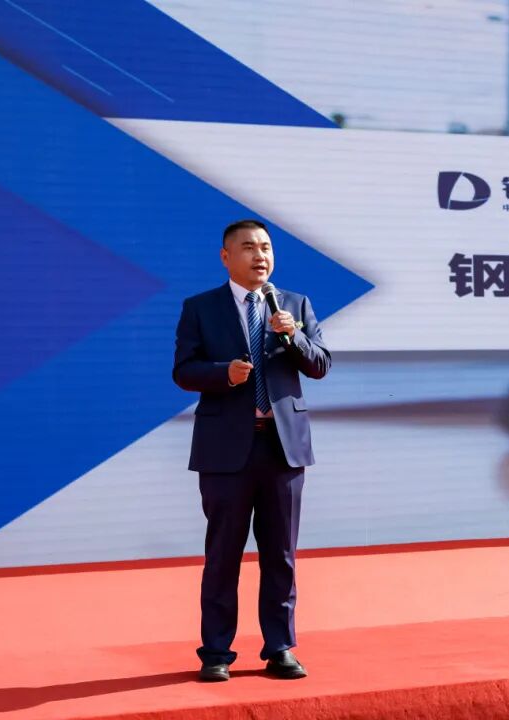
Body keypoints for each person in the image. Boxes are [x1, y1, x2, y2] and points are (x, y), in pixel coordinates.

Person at [172, 219, 331, 681]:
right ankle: (216, 652)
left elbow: (320, 364)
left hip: (283, 449)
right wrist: (223, 373)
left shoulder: (294, 305)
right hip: (225, 451)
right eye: (248, 247)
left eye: (265, 247)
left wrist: (293, 335)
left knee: (280, 554)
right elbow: (183, 370)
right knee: (223, 554)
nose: (260, 256)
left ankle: (280, 647)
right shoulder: (200, 308)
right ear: (226, 257)